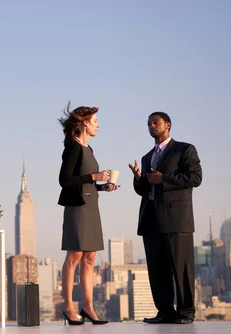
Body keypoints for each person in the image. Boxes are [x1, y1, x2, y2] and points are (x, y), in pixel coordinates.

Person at [128, 112, 202, 325]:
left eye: (156, 122)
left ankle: (186, 312)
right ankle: (165, 312)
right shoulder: (146, 157)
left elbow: (195, 178)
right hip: (151, 220)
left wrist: (164, 179)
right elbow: (144, 190)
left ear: (168, 125)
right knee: (157, 270)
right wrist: (138, 179)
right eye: (149, 123)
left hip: (177, 219)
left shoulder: (185, 150)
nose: (152, 126)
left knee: (182, 268)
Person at [57, 103, 117, 325]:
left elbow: (86, 181)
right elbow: (65, 180)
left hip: (92, 205)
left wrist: (103, 185)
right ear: (84, 123)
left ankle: (88, 307)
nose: (98, 125)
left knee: (90, 257)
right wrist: (94, 177)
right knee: (75, 256)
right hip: (77, 208)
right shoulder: (72, 147)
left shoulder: (88, 149)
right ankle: (69, 308)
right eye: (95, 122)